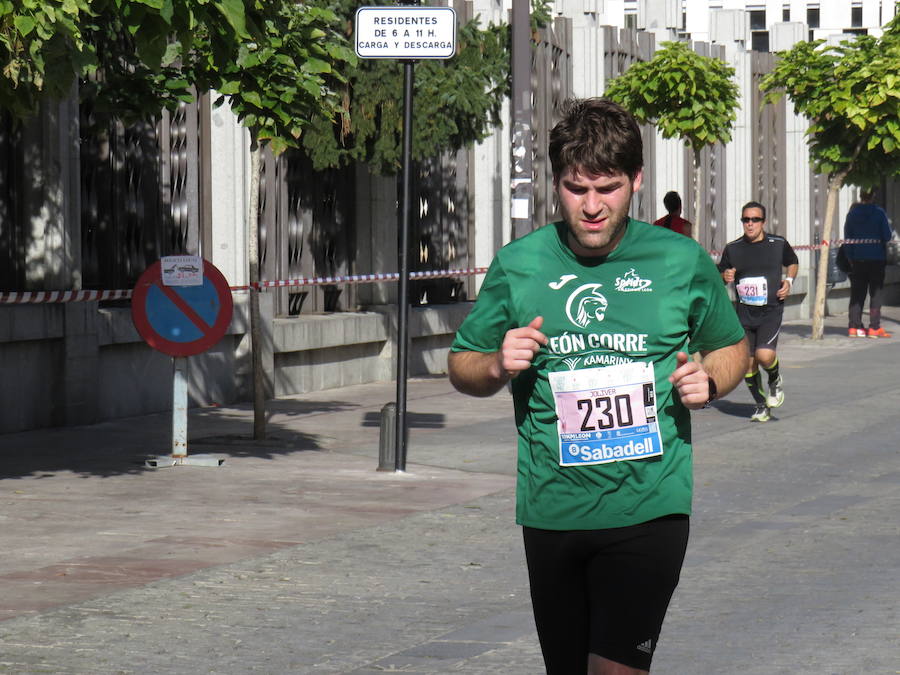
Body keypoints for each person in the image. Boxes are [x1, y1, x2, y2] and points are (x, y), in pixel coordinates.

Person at [447, 98, 747, 675]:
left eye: (606, 188)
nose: (590, 207)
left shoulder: (679, 259)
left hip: (649, 506)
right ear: (556, 184)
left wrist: (709, 379)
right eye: (574, 188)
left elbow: (731, 345)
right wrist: (494, 365)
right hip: (552, 508)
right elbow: (462, 363)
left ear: (636, 180)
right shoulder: (520, 263)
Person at [717, 202, 799, 423]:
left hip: (770, 311)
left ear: (763, 222)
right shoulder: (733, 248)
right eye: (746, 220)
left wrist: (789, 281)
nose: (750, 224)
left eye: (754, 219)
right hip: (744, 314)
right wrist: (725, 276)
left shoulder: (778, 243)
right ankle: (761, 405)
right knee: (747, 364)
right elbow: (720, 272)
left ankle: (774, 379)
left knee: (764, 355)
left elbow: (792, 262)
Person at [843, 188, 893, 338]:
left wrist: (851, 258)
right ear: (874, 196)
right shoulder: (879, 213)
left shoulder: (852, 214)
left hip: (858, 260)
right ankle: (874, 327)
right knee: (875, 293)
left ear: (860, 195)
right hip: (876, 258)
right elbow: (887, 235)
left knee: (857, 293)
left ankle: (854, 326)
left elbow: (848, 239)